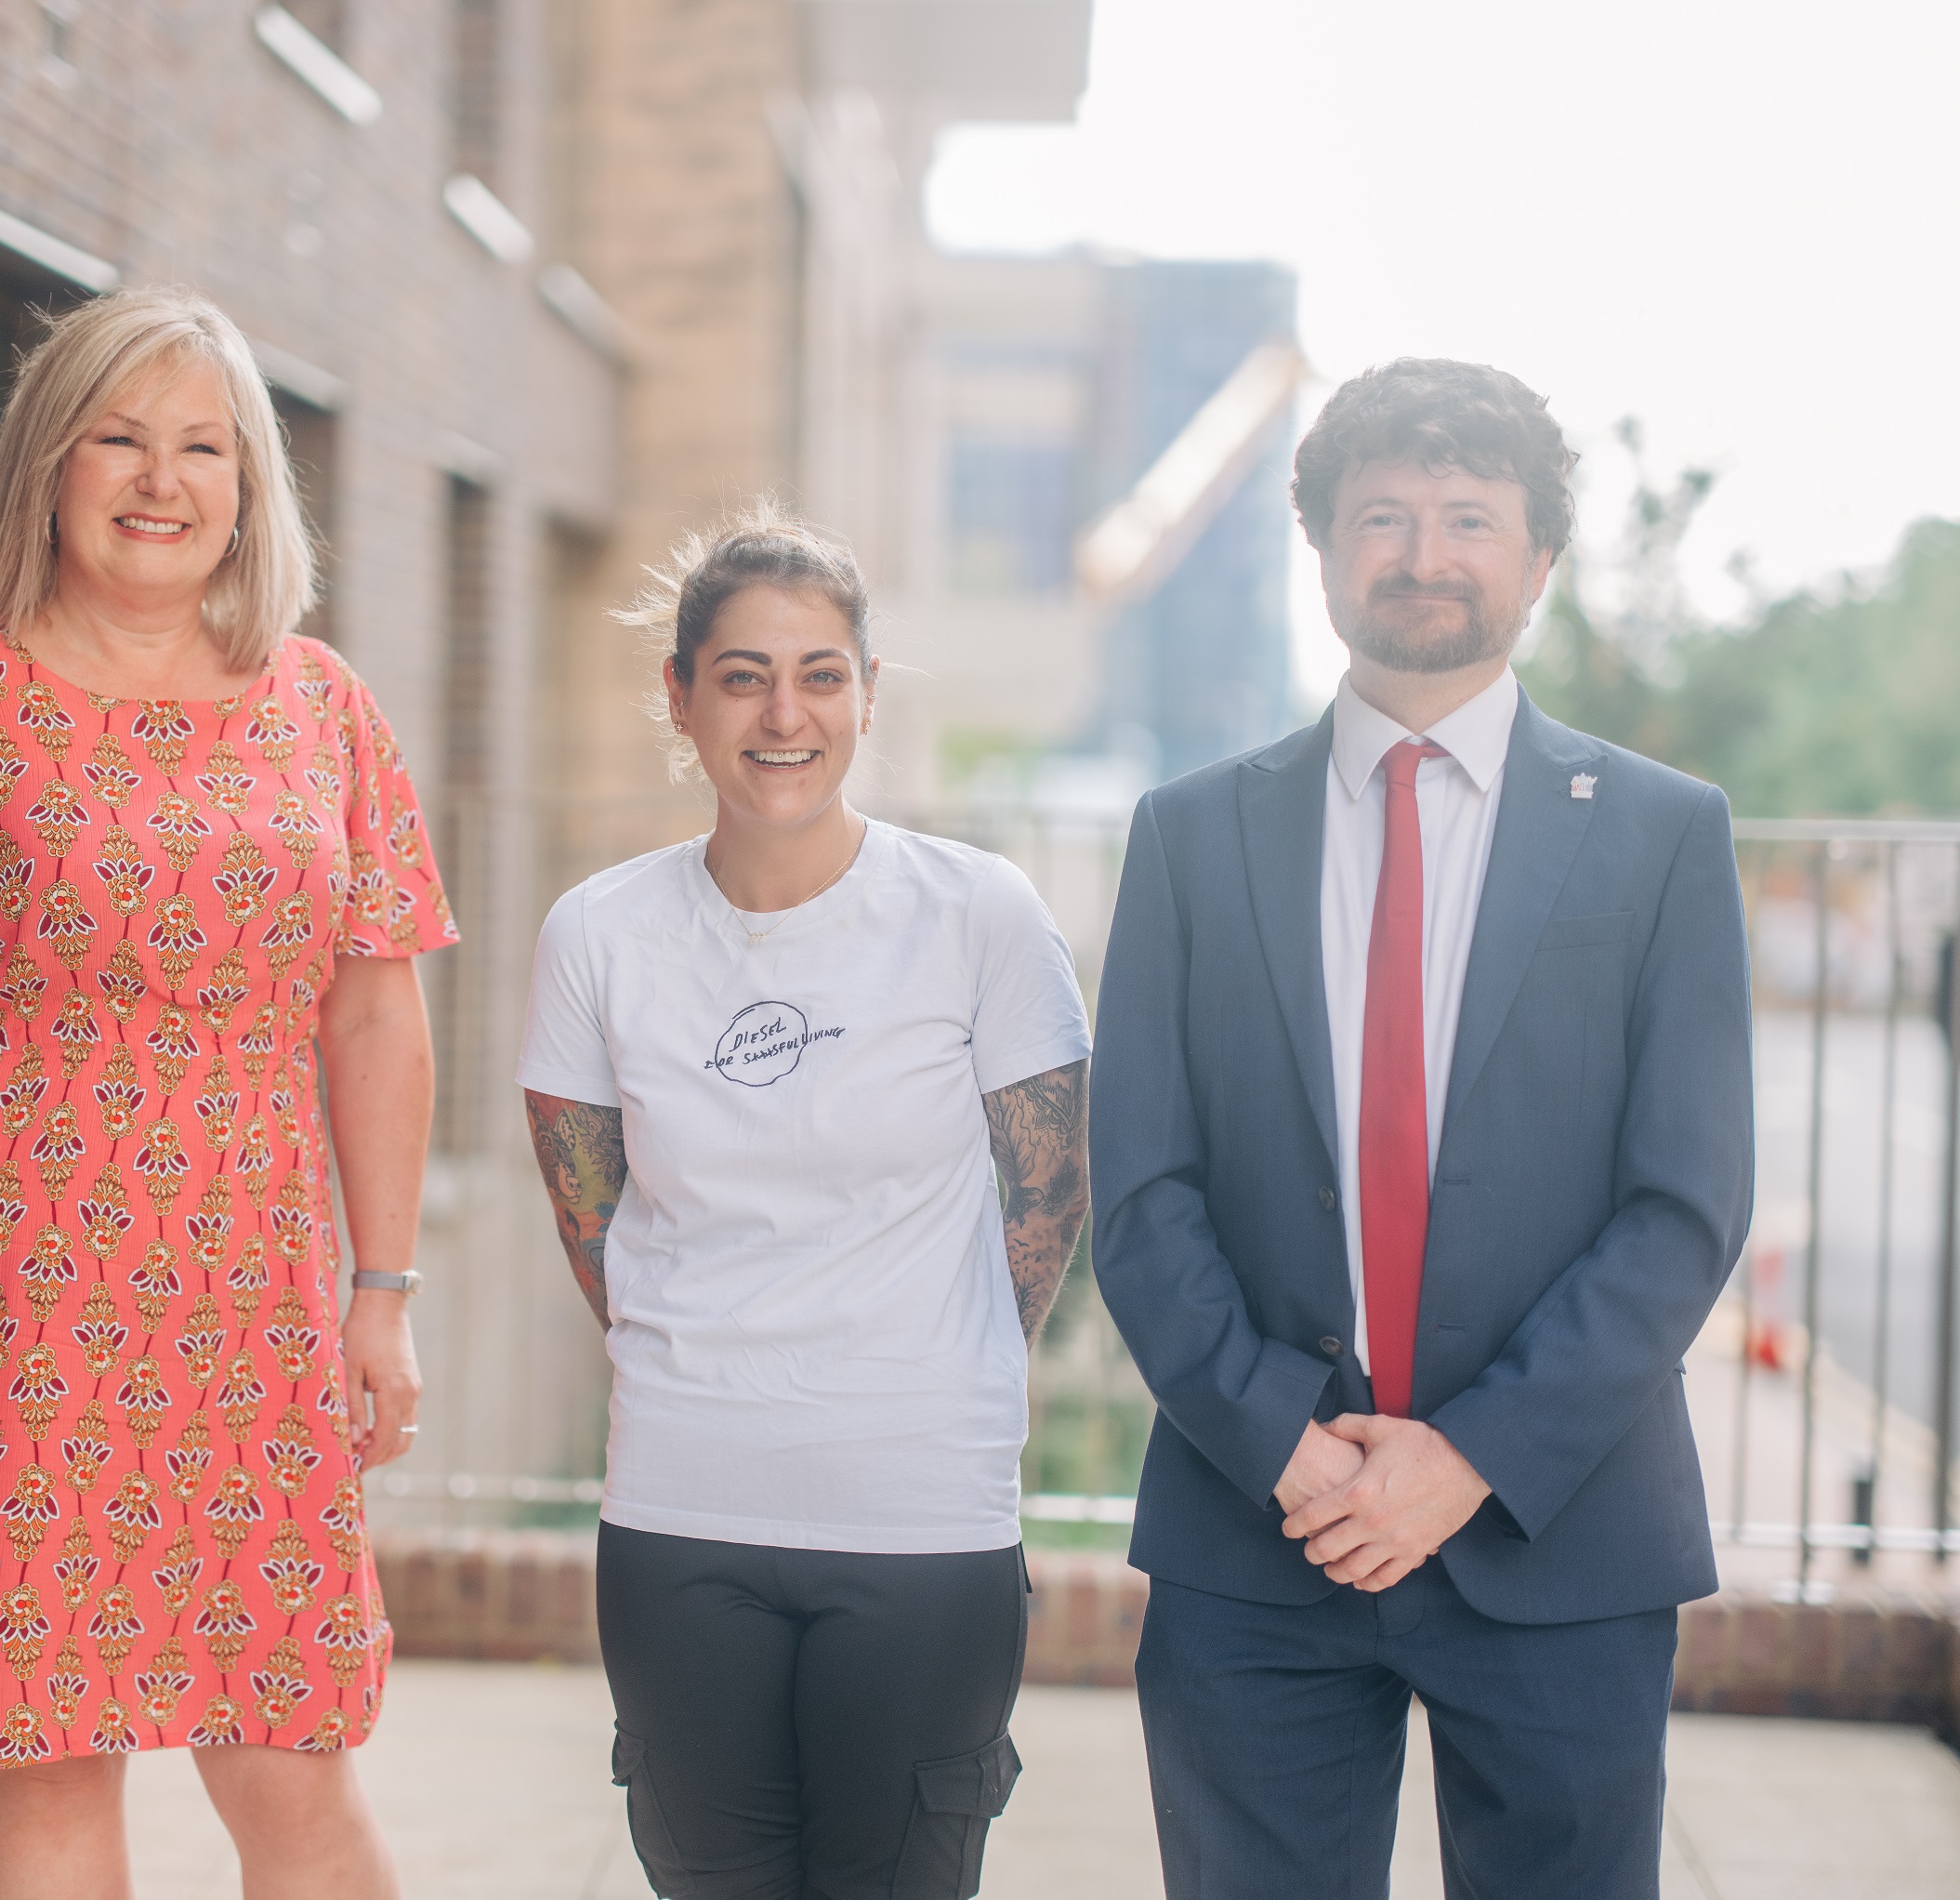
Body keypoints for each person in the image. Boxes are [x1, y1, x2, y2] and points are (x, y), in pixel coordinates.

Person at [0, 284, 454, 1900]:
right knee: (51, 1759)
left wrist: (381, 1293)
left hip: (254, 1310)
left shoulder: (324, 707)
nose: (163, 481)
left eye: (204, 446)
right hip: (6, 1307)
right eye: (121, 439)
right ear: (46, 469)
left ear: (250, 484)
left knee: (293, 1761)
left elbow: (375, 1020)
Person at [1091, 357, 1755, 1897]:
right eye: (1380, 516)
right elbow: (1141, 1188)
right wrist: (1283, 1450)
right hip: (1256, 1536)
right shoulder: (1191, 836)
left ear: (1534, 561)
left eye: (1467, 516)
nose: (1423, 552)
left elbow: (1684, 1204)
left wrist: (1468, 1457)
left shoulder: (1663, 836)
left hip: (1558, 1533)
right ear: (1323, 553)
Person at [518, 503, 1093, 1900]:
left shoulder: (978, 913)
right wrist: (708, 1353)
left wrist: (915, 1363)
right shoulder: (598, 932)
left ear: (867, 694)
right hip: (681, 1509)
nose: (785, 714)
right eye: (741, 675)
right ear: (681, 697)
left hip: (919, 1515)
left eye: (820, 674)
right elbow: (589, 1218)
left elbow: (1049, 1201)